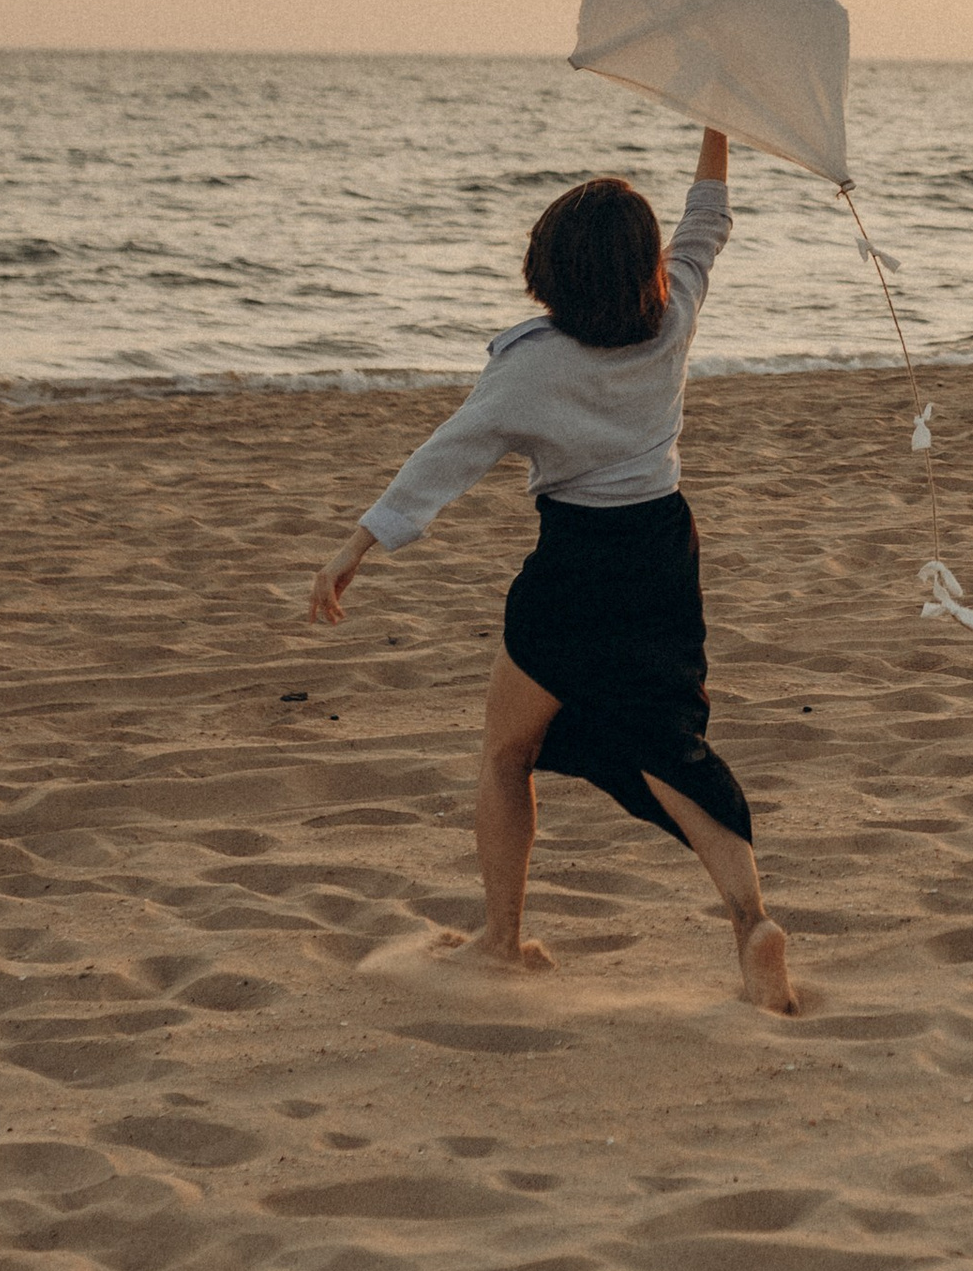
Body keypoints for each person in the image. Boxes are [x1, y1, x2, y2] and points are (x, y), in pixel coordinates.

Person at [307, 129, 798, 1015]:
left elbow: (441, 461)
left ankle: (501, 940)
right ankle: (751, 920)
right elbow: (705, 224)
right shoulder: (674, 313)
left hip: (575, 566)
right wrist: (716, 128)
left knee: (506, 751)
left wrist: (357, 546)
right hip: (662, 557)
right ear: (645, 270)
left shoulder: (532, 367)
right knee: (668, 744)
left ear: (550, 272)